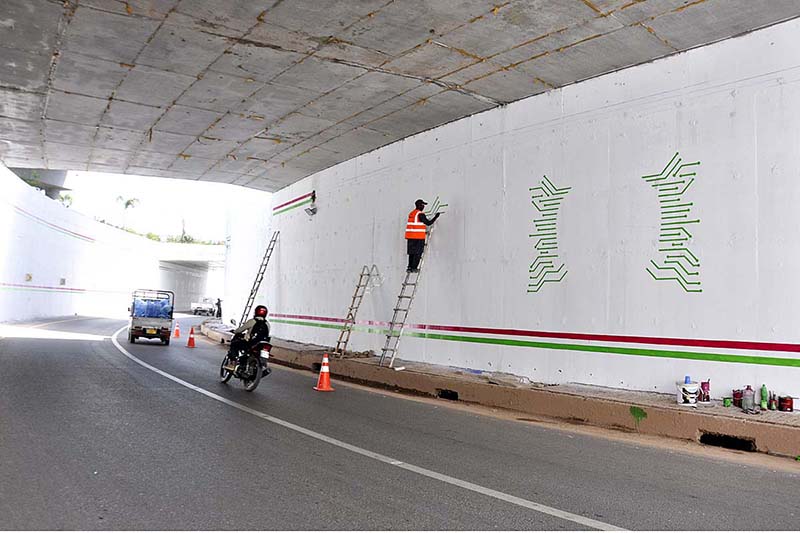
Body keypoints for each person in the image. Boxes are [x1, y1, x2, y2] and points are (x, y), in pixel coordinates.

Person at [406, 199, 440, 272]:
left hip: (410, 236)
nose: (424, 207)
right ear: (420, 205)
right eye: (423, 205)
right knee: (418, 253)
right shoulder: (420, 214)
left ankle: (409, 267)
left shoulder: (412, 214)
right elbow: (428, 223)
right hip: (418, 237)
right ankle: (414, 268)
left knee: (411, 252)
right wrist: (436, 217)